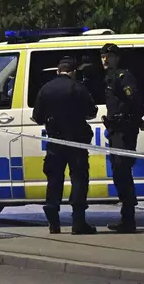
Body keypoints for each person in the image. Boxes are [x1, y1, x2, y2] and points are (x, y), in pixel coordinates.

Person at [32, 56, 98, 235]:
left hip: (55, 142)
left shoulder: (45, 89)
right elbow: (92, 112)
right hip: (76, 142)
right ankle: (78, 223)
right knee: (78, 179)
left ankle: (53, 222)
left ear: (57, 71)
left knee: (54, 180)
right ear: (74, 72)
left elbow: (37, 117)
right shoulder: (78, 87)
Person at [100, 43, 144, 233]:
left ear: (117, 58)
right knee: (120, 173)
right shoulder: (110, 77)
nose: (105, 59)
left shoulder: (123, 76)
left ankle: (128, 220)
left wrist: (134, 120)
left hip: (123, 131)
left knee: (123, 173)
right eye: (103, 56)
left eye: (109, 56)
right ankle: (126, 218)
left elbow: (137, 103)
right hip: (116, 131)